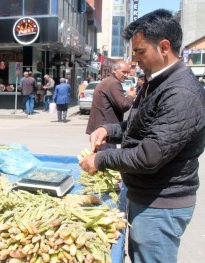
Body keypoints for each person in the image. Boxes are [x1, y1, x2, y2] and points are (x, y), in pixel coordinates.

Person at [79, 9, 205, 263]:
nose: (135, 59)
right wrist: (108, 131)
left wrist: (100, 161)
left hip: (161, 204)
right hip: (146, 197)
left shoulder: (180, 92)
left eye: (140, 51)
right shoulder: (155, 82)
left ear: (164, 47)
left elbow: (150, 155)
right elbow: (137, 126)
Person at [85, 60, 137, 151]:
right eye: (123, 72)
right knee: (105, 161)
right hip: (106, 130)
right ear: (114, 70)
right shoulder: (113, 83)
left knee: (100, 159)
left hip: (101, 129)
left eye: (127, 72)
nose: (126, 75)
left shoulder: (107, 81)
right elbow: (123, 105)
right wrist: (130, 96)